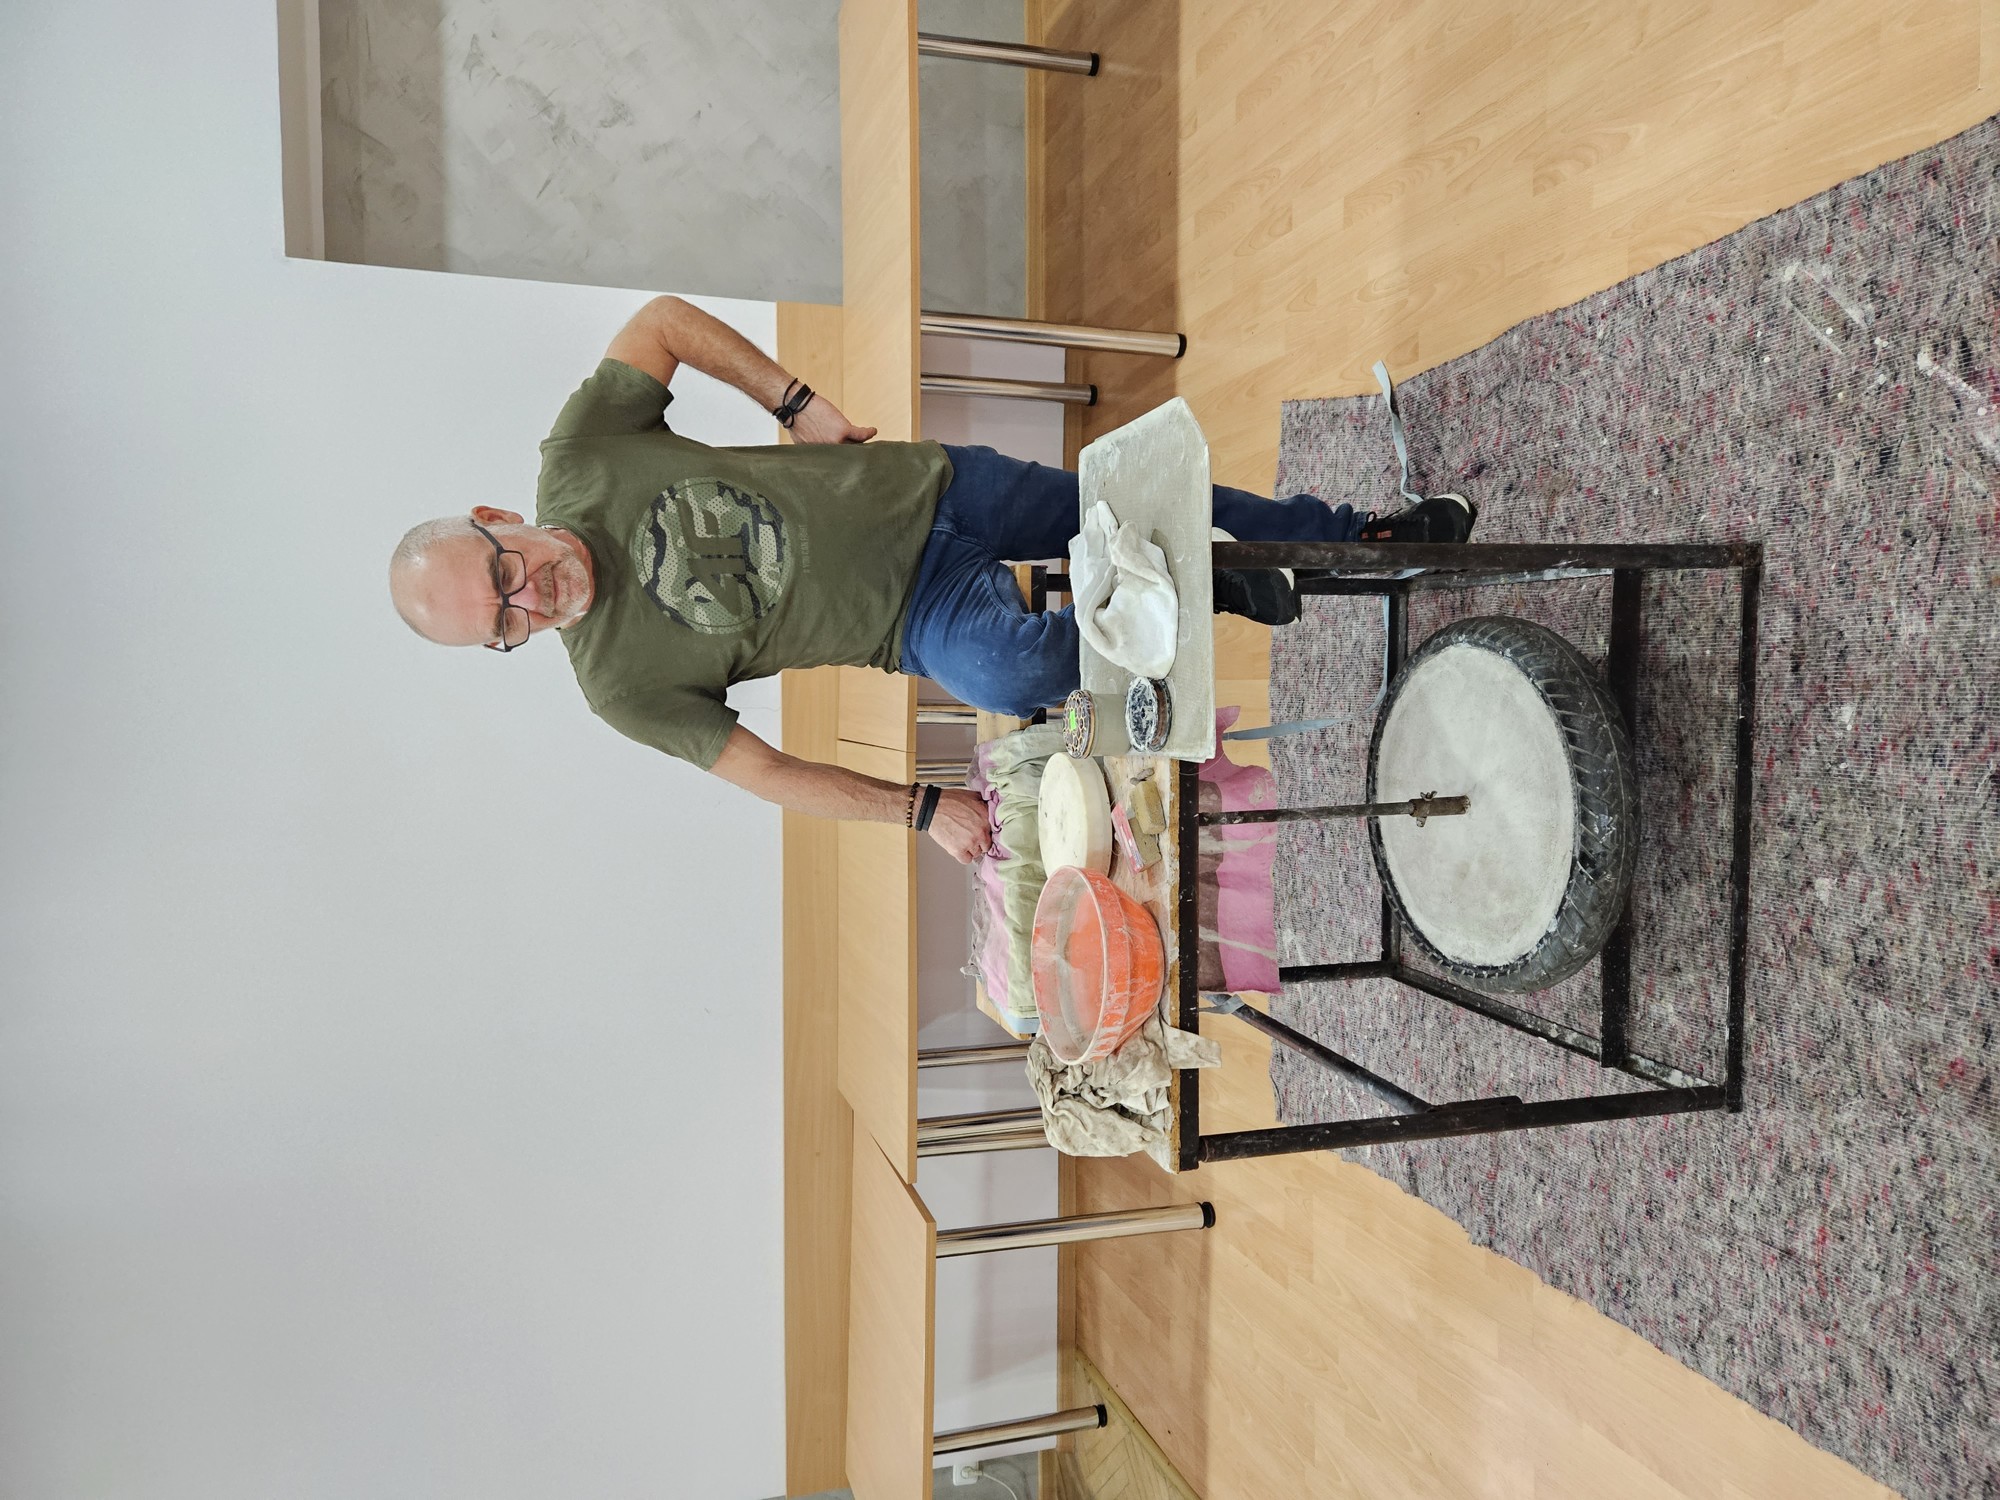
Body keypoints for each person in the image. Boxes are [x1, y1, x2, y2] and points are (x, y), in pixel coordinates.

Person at [387, 297, 1474, 864]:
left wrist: (795, 402)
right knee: (1012, 678)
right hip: (916, 618)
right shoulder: (619, 687)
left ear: (498, 518)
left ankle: (1349, 537)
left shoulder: (579, 454)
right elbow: (765, 773)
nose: (530, 598)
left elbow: (661, 321)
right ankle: (1216, 584)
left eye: (504, 570)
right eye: (505, 624)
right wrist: (919, 810)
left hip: (930, 489)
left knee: (1133, 505)